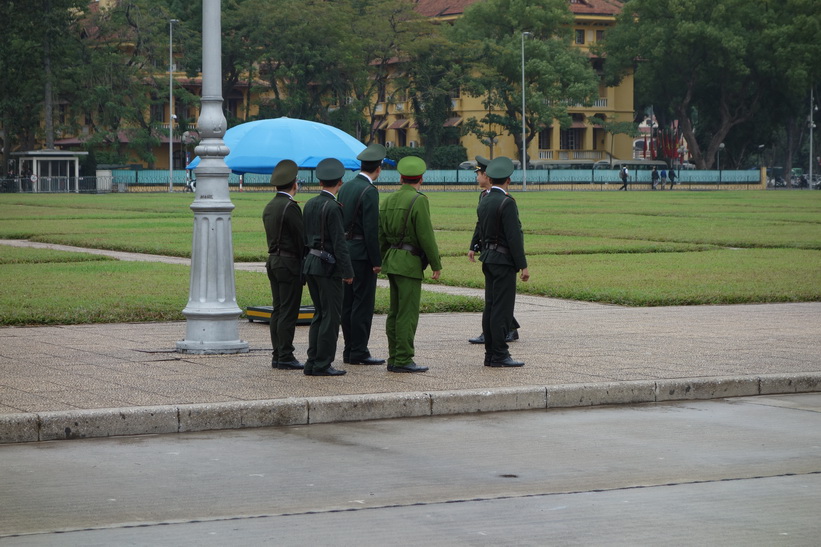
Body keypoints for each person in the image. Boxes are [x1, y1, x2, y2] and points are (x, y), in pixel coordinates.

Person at [378, 156, 442, 373]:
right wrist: (435, 263)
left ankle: (394, 356)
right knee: (407, 313)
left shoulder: (388, 200)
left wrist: (380, 259)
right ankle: (404, 359)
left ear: (401, 178)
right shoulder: (419, 200)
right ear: (420, 179)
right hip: (409, 263)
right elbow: (426, 236)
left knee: (394, 312)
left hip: (392, 260)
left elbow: (381, 236)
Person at [302, 158, 354, 377]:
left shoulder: (310, 203)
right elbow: (339, 244)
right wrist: (348, 272)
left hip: (311, 263)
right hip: (328, 266)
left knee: (319, 314)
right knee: (331, 316)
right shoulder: (333, 207)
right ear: (340, 182)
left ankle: (312, 360)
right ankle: (323, 363)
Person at [476, 156, 529, 367]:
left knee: (490, 307)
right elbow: (514, 237)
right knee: (502, 309)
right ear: (508, 179)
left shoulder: (485, 199)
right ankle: (499, 353)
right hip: (503, 260)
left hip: (488, 257)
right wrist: (522, 265)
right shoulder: (507, 202)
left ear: (490, 178)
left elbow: (481, 230)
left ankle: (490, 353)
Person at [337, 143, 387, 366]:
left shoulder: (346, 186)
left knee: (347, 304)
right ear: (379, 168)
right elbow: (371, 230)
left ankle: (349, 349)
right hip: (362, 255)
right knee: (362, 305)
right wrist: (376, 261)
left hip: (346, 252)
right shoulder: (370, 191)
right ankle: (358, 350)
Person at [468, 155, 520, 345]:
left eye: (478, 173)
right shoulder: (484, 196)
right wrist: (474, 245)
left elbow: (514, 233)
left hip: (500, 253)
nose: (477, 177)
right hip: (491, 251)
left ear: (487, 175)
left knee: (497, 298)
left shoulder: (504, 199)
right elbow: (480, 225)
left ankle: (500, 331)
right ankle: (504, 330)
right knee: (497, 297)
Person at [262, 160, 305, 371]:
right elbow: (301, 240)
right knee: (288, 310)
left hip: (274, 260)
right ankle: (286, 355)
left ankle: (278, 354)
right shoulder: (290, 207)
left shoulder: (270, 206)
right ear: (294, 184)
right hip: (289, 263)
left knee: (278, 309)